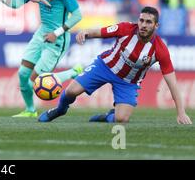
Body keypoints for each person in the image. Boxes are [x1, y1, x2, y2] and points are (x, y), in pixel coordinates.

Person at [38, 6, 192, 125]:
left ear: (156, 25)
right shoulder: (125, 28)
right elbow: (101, 32)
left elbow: (172, 83)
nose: (143, 25)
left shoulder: (160, 49)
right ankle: (59, 110)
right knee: (71, 91)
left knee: (121, 119)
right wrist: (85, 33)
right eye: (141, 20)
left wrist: (181, 112)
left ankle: (108, 116)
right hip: (104, 67)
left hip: (128, 82)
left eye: (148, 22)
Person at [0, 0, 83, 117]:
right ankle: (30, 110)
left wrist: (57, 32)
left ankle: (73, 72)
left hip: (57, 38)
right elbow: (18, 4)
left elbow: (77, 15)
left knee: (36, 79)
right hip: (42, 32)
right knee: (22, 74)